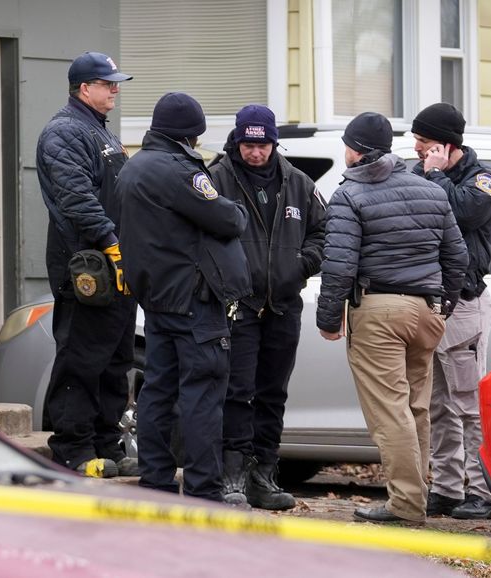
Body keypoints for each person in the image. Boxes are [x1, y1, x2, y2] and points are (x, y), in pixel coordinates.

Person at [317, 112, 468, 525]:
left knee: (391, 413)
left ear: (355, 150)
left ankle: (405, 505)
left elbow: (339, 266)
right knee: (415, 408)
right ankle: (414, 498)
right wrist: (443, 306)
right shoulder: (430, 190)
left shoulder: (350, 193)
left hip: (379, 310)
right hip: (425, 310)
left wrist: (329, 319)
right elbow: (457, 257)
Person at [118, 92, 252, 503]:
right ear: (188, 136)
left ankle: (155, 480)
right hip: (196, 304)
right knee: (202, 394)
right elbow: (229, 219)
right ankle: (201, 489)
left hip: (157, 301)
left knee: (157, 390)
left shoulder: (133, 166)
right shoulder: (180, 171)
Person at [209, 104, 326, 510]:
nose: (255, 152)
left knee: (273, 394)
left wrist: (302, 266)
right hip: (237, 307)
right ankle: (233, 477)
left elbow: (323, 232)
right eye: (248, 143)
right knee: (237, 393)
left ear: (274, 143)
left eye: (262, 144)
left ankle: (264, 474)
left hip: (283, 305)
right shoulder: (217, 178)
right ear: (237, 141)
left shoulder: (299, 183)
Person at [36, 51, 138, 478]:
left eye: (116, 82)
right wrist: (112, 245)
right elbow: (77, 199)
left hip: (115, 263)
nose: (115, 89)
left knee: (116, 359)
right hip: (87, 266)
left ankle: (106, 444)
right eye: (107, 83)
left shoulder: (100, 132)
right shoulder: (64, 132)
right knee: (82, 357)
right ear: (84, 88)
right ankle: (73, 450)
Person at [411, 103, 491, 520]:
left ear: (447, 146)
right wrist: (430, 174)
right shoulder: (422, 173)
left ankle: (482, 491)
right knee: (436, 405)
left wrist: (434, 176)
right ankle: (447, 489)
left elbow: (462, 212)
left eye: (425, 143)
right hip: (428, 304)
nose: (417, 149)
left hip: (464, 303)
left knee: (469, 404)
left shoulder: (483, 181)